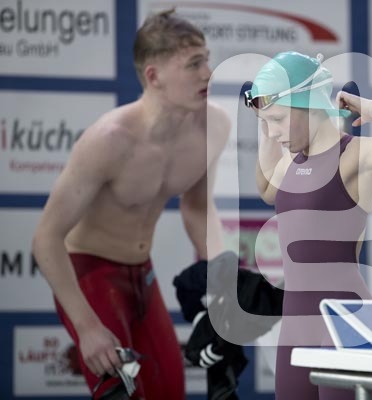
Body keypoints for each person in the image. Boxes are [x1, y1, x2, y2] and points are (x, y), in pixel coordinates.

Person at [31, 9, 230, 399]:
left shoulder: (215, 125)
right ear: (154, 76)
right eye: (194, 64)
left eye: (206, 60)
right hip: (90, 272)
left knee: (170, 391)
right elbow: (45, 238)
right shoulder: (109, 139)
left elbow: (197, 208)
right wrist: (87, 328)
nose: (208, 73)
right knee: (123, 392)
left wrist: (224, 284)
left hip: (143, 274)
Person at [245, 51, 372, 399]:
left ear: (309, 104)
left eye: (278, 119)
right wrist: (264, 121)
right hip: (296, 323)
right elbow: (266, 189)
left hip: (345, 319)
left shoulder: (355, 154)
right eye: (268, 123)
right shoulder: (292, 159)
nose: (274, 132)